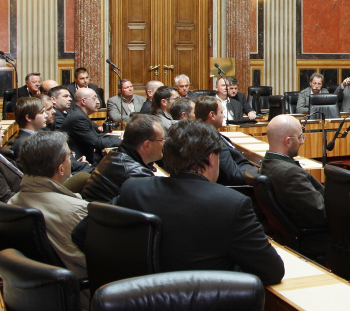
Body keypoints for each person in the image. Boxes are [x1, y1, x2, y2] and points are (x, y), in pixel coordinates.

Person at [114, 120, 285, 285]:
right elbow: (272, 271)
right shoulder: (231, 203)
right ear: (212, 158)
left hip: (139, 302)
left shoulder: (133, 188)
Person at [9, 132, 88, 281]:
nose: (71, 161)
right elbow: (103, 260)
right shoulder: (77, 210)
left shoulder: (11, 204)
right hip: (83, 296)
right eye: (69, 157)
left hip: (28, 297)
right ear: (61, 169)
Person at [259, 115, 326, 229]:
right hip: (318, 237)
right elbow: (321, 213)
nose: (302, 141)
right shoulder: (290, 174)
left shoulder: (266, 163)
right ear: (288, 142)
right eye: (300, 137)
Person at [81, 115, 165, 202]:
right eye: (162, 139)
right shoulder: (136, 173)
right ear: (147, 145)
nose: (164, 143)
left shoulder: (115, 154)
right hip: (105, 215)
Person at [195, 95, 254, 185]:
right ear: (212, 115)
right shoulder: (211, 139)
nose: (224, 115)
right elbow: (234, 175)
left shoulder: (202, 133)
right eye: (222, 112)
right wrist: (256, 172)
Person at [62, 88, 120, 164]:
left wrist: (115, 137)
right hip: (81, 161)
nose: (98, 102)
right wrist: (122, 141)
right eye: (94, 98)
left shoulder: (79, 114)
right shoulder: (78, 117)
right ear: (83, 101)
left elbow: (95, 136)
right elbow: (96, 142)